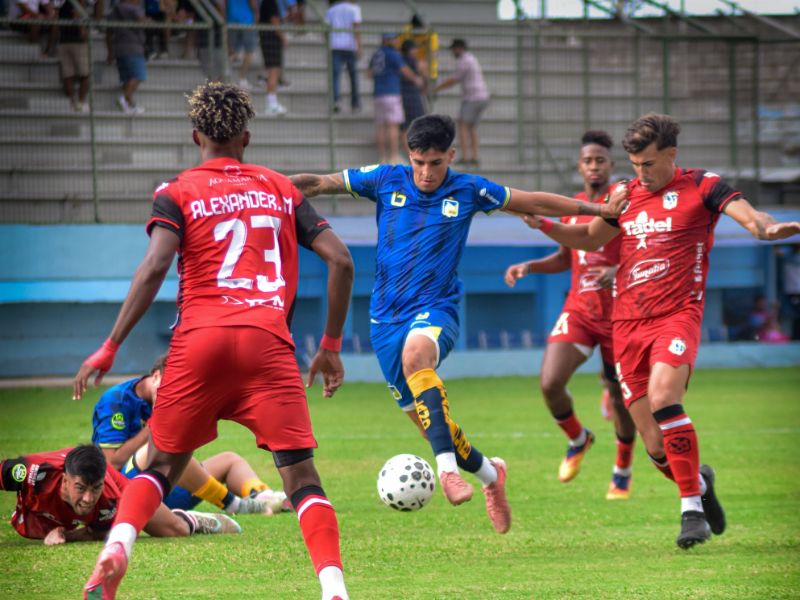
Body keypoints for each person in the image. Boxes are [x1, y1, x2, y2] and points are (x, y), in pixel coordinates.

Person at [73, 82, 354, 600]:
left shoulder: (177, 191)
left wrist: (110, 346)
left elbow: (155, 266)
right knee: (301, 478)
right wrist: (330, 345)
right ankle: (334, 589)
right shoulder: (281, 189)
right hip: (268, 342)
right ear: (246, 138)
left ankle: (118, 548)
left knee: (161, 465)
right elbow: (341, 260)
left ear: (195, 136)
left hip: (198, 341)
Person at [289, 114, 628, 536]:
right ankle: (491, 474)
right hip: (384, 320)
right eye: (419, 162)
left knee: (417, 358)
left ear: (451, 155)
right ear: (409, 155)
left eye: (435, 163)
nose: (426, 173)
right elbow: (319, 183)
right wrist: (264, 186)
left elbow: (534, 201)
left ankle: (447, 471)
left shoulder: (470, 190)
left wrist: (599, 209)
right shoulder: (385, 179)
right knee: (435, 427)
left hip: (437, 308)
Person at [524, 112, 800, 548]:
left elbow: (749, 215)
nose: (642, 174)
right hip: (626, 324)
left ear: (671, 154)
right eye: (635, 165)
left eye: (649, 164)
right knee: (656, 447)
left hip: (677, 315)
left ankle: (691, 512)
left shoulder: (703, 185)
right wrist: (544, 224)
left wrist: (765, 228)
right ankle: (700, 484)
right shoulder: (625, 193)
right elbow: (591, 239)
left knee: (664, 397)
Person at [503, 130, 637, 500]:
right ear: (579, 166)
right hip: (580, 310)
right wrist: (529, 266)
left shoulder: (623, 205)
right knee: (550, 382)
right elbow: (567, 257)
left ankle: (622, 470)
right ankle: (579, 438)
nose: (594, 166)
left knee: (619, 397)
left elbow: (644, 251)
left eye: (600, 160)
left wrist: (619, 269)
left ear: (610, 165)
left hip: (620, 315)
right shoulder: (574, 206)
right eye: (588, 161)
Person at [92, 354, 289, 515]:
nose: (171, 394)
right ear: (156, 376)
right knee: (167, 450)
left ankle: (263, 497)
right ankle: (234, 505)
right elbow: (112, 463)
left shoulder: (175, 401)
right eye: (168, 387)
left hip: (166, 489)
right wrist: (155, 422)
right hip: (128, 493)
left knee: (229, 460)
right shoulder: (116, 400)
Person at [0, 445, 240, 545]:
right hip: (37, 512)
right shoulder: (33, 472)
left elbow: (100, 532)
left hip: (117, 485)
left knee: (177, 530)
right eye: (81, 488)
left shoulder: (112, 499)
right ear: (65, 480)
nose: (88, 499)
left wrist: (67, 536)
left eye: (95, 489)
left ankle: (191, 518)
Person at [368, 32, 423, 164]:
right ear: (388, 40)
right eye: (394, 40)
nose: (397, 42)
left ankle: (382, 157)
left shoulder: (376, 54)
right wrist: (416, 79)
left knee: (380, 126)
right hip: (391, 92)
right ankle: (392, 157)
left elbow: (369, 73)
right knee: (393, 126)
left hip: (378, 93)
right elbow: (404, 70)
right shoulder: (393, 54)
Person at [433, 38, 490, 167]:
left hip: (473, 97)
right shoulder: (471, 58)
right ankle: (475, 157)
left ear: (459, 48)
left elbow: (454, 79)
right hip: (481, 96)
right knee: (472, 127)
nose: (453, 52)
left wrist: (436, 88)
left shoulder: (464, 60)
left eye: (453, 49)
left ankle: (465, 157)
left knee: (463, 125)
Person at [110, 0, 147, 115]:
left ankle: (129, 106)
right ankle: (124, 98)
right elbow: (142, 22)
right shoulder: (134, 9)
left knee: (127, 79)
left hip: (119, 48)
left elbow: (108, 32)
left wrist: (110, 51)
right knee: (139, 75)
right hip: (133, 47)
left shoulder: (115, 10)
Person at [325, 0, 361, 114]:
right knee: (353, 76)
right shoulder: (354, 8)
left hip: (335, 45)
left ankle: (336, 101)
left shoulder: (332, 9)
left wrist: (328, 43)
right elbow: (356, 28)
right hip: (350, 46)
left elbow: (326, 29)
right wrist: (359, 46)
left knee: (335, 76)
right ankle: (355, 104)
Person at [57, 0, 90, 113]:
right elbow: (78, 17)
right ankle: (81, 102)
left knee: (68, 75)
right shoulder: (77, 5)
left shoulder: (63, 5)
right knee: (85, 74)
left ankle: (72, 103)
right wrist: (83, 33)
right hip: (78, 43)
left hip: (63, 42)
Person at [259, 0, 287, 116]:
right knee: (273, 71)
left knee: (274, 71)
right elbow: (274, 21)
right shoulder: (270, 2)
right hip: (271, 40)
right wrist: (283, 37)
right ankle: (271, 104)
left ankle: (272, 102)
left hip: (267, 39)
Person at [400, 39, 428, 152]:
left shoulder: (399, 62)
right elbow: (425, 79)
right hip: (414, 97)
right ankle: (418, 152)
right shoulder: (418, 63)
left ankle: (410, 153)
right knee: (419, 124)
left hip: (401, 96)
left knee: (404, 127)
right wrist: (424, 89)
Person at [226, 0, 258, 89]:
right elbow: (253, 3)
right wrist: (257, 13)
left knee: (232, 52)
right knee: (249, 51)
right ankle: (242, 78)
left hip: (231, 19)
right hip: (247, 21)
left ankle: (226, 75)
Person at [398, 13, 438, 81]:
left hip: (426, 68)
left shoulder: (431, 33)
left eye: (419, 28)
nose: (418, 30)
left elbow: (433, 53)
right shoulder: (406, 31)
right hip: (410, 67)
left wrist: (420, 65)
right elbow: (398, 50)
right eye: (415, 28)